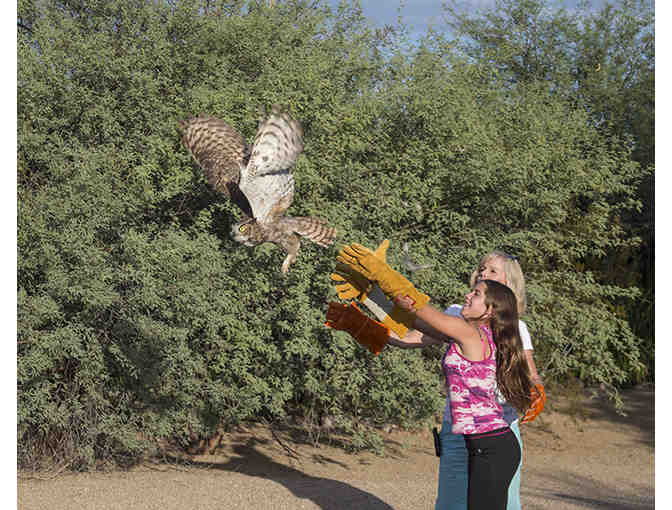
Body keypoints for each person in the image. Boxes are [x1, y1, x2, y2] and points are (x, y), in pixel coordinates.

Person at [327, 242, 540, 510]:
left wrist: (381, 274)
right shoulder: (461, 321)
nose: (482, 274)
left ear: (493, 305)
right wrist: (364, 314)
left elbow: (419, 309)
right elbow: (412, 326)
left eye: (492, 273)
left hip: (495, 438)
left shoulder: (481, 330)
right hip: (467, 435)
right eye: (481, 269)